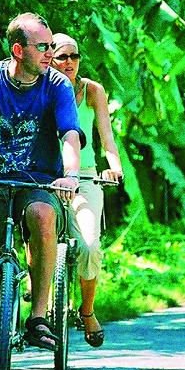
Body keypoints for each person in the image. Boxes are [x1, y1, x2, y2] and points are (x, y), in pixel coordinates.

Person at [0, 13, 84, 370]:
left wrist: (70, 175)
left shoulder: (57, 86)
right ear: (18, 49)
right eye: (43, 47)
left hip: (39, 181)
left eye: (53, 46)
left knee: (43, 216)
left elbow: (70, 134)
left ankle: (38, 317)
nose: (51, 54)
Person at [50, 32, 124, 348]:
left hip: (86, 176)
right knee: (38, 228)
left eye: (74, 56)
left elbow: (107, 137)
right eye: (62, 56)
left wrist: (114, 165)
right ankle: (39, 293)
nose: (69, 62)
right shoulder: (39, 87)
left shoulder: (92, 91)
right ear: (48, 58)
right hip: (46, 177)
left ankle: (87, 310)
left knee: (91, 245)